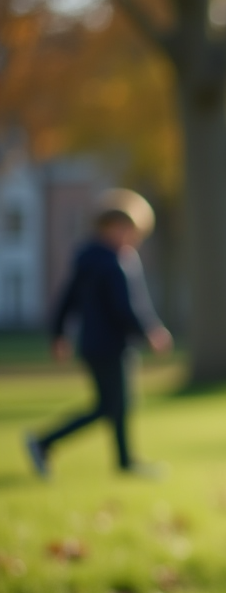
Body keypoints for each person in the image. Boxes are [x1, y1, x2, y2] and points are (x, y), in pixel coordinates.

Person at [24, 190, 172, 477]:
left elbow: (67, 299)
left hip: (94, 345)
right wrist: (150, 331)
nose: (135, 240)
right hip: (110, 345)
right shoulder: (113, 262)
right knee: (108, 406)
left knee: (118, 404)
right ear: (115, 228)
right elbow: (125, 307)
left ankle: (125, 462)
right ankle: (43, 442)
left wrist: (59, 334)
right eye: (133, 233)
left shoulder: (90, 259)